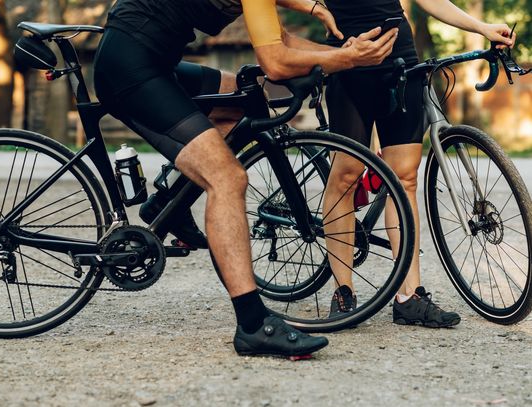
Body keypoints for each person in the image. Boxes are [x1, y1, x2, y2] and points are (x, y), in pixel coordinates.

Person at [93, 0, 399, 357]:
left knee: (238, 100)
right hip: (131, 67)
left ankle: (169, 201)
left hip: (154, 60)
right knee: (227, 178)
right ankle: (253, 325)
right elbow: (276, 61)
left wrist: (342, 51)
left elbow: (280, 37)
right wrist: (346, 60)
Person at [322, 0, 515, 327]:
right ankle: (343, 292)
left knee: (405, 180)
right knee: (346, 177)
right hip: (349, 62)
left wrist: (481, 28)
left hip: (402, 63)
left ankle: (409, 297)